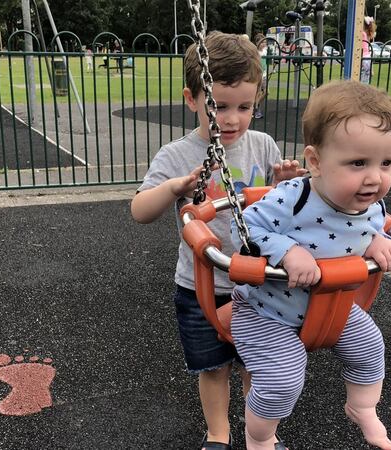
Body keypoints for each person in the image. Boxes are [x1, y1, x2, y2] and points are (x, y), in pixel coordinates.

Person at [131, 31, 306, 450]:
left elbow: (282, 210)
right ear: (192, 99)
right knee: (212, 367)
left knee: (256, 364)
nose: (231, 119)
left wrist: (284, 184)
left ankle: (258, 433)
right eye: (219, 107)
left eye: (244, 107)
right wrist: (174, 187)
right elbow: (140, 211)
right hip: (201, 284)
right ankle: (218, 433)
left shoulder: (262, 145)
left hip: (259, 283)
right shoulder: (176, 155)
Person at [230, 79, 391, 450]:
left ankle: (362, 407)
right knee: (283, 378)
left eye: (386, 163)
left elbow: (370, 228)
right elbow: (244, 227)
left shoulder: (370, 204)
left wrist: (379, 242)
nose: (375, 177)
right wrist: (287, 251)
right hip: (267, 311)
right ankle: (259, 438)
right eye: (358, 163)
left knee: (371, 346)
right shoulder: (294, 198)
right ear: (315, 161)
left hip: (332, 306)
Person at [254, 36, 270, 119]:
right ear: (257, 43)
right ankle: (257, 110)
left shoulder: (265, 51)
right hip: (258, 75)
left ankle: (255, 105)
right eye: (262, 42)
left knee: (266, 92)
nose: (264, 44)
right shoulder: (256, 52)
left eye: (264, 42)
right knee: (258, 92)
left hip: (264, 74)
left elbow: (268, 62)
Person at [361, 17, 376, 83]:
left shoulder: (362, 33)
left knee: (363, 76)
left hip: (363, 55)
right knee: (366, 76)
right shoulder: (367, 34)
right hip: (367, 56)